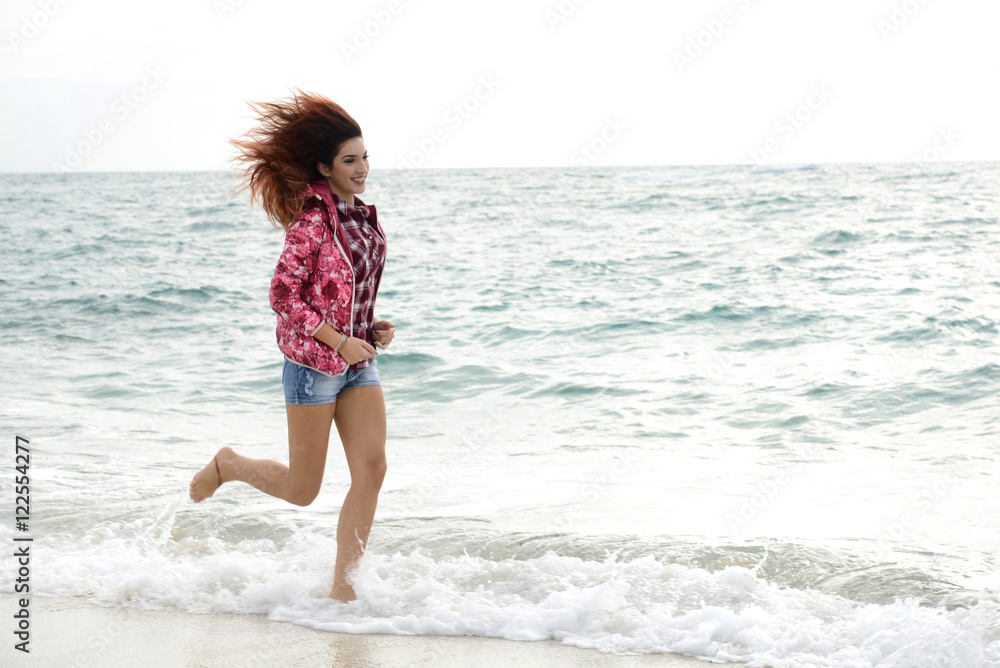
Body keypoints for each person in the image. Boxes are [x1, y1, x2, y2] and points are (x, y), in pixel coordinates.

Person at [189, 91, 393, 602]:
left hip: (355, 361)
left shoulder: (361, 217)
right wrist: (338, 340)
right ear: (325, 167)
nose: (363, 167)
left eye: (365, 156)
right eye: (351, 159)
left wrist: (370, 331)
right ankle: (228, 464)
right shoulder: (313, 220)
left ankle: (343, 591)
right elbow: (283, 295)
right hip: (312, 366)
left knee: (373, 469)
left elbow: (345, 292)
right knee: (304, 491)